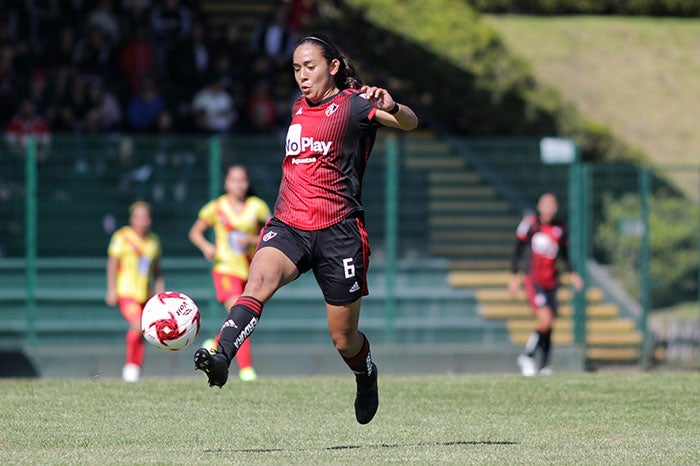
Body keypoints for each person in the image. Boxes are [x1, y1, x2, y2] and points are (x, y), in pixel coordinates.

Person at [192, 33, 418, 425]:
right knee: (257, 281)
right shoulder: (298, 107)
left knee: (343, 339)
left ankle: (366, 376)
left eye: (309, 66)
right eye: (296, 68)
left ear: (332, 67)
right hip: (289, 223)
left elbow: (410, 123)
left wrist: (393, 106)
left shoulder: (354, 105)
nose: (302, 76)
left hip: (339, 233)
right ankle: (222, 357)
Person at [188, 165, 271, 382]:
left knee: (243, 317)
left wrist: (252, 240)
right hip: (225, 269)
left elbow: (272, 232)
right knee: (239, 312)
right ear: (226, 183)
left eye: (242, 180)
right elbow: (195, 232)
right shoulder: (216, 207)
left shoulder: (257, 206)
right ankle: (246, 370)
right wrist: (207, 247)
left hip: (251, 270)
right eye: (234, 180)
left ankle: (216, 343)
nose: (239, 184)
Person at [509, 192, 584, 376]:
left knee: (549, 324)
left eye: (552, 205)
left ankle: (544, 366)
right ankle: (527, 356)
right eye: (545, 204)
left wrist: (573, 273)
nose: (549, 208)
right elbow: (517, 251)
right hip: (534, 281)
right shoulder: (531, 224)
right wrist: (514, 276)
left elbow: (565, 254)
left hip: (552, 283)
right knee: (545, 318)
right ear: (539, 206)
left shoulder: (560, 229)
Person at [106, 201, 164, 382]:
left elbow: (157, 270)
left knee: (143, 330)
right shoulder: (122, 236)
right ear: (132, 219)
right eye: (139, 216)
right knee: (137, 326)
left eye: (146, 216)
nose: (143, 220)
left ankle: (136, 368)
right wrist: (111, 289)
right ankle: (130, 366)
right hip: (127, 292)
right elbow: (113, 263)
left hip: (145, 294)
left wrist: (159, 292)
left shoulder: (154, 241)